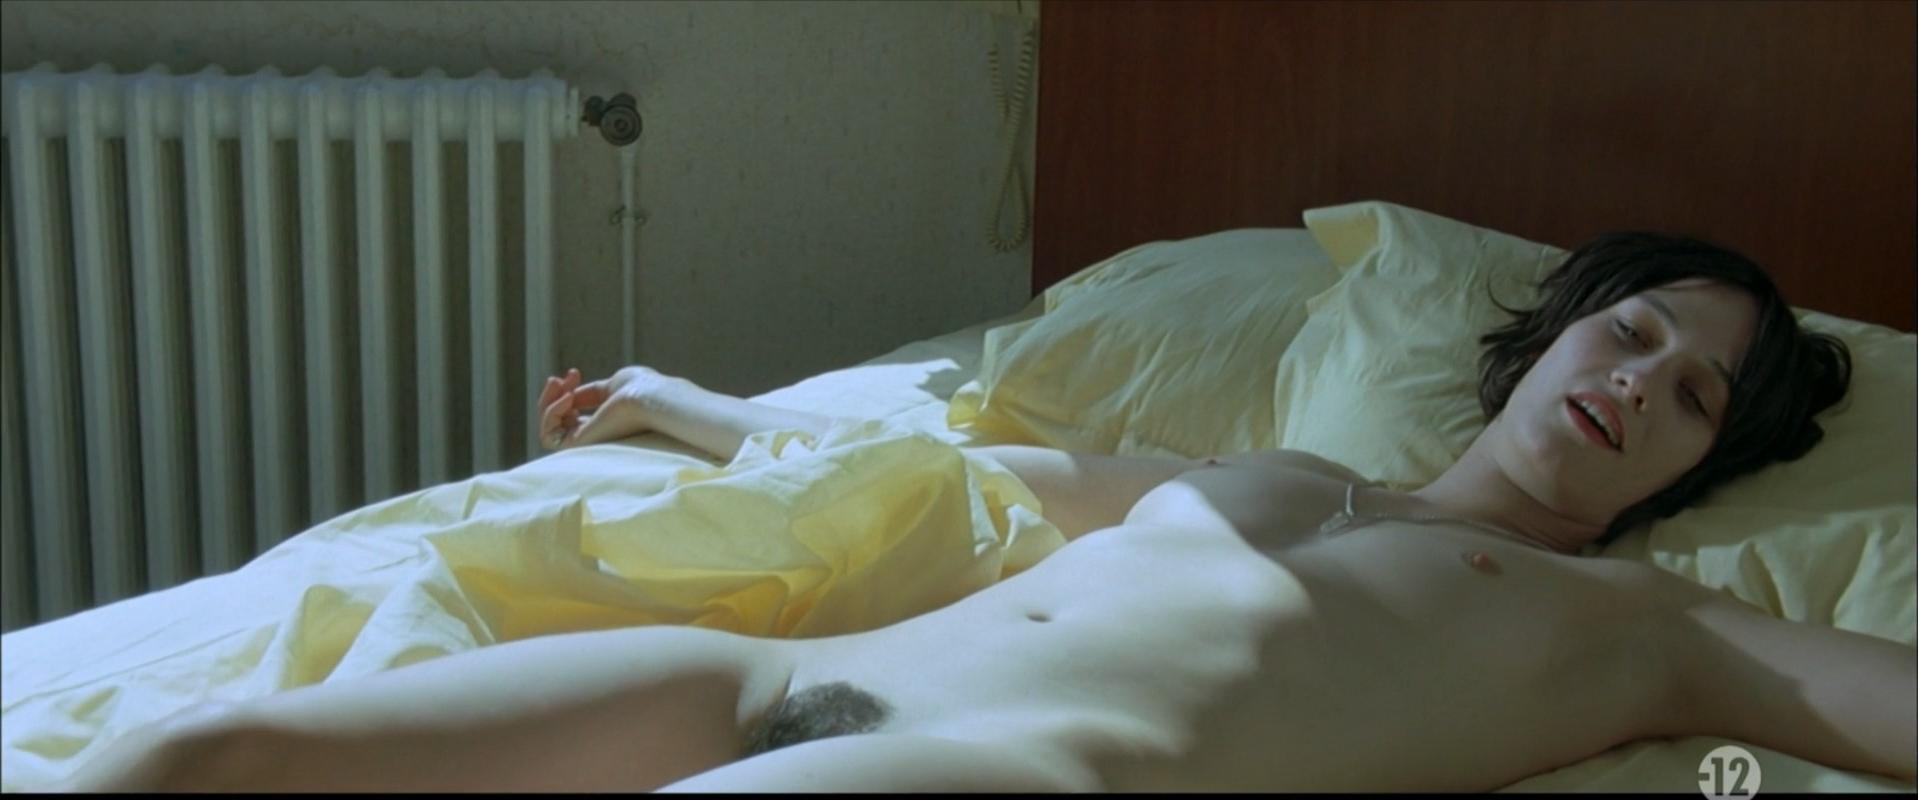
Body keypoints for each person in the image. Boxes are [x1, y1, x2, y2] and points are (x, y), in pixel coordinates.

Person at [57, 233, 1913, 792]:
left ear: (1695, 471)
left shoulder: (1642, 629)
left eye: (1691, 398)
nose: (1636, 383)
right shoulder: (1268, 480)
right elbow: (937, 477)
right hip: (751, 685)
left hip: (1006, 772)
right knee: (201, 760)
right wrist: (686, 407)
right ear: (1553, 330)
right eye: (1632, 331)